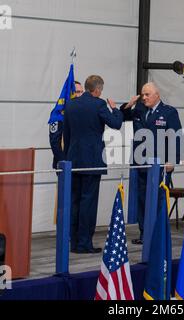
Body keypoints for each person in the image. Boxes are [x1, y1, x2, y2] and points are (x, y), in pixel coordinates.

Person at [63, 75, 123, 253]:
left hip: (73, 160)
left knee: (74, 203)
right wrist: (115, 109)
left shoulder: (70, 104)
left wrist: (68, 157)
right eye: (101, 90)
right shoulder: (99, 104)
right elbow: (116, 124)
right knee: (88, 203)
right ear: (97, 89)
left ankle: (73, 243)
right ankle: (84, 244)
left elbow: (67, 134)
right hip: (92, 161)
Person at [121, 82, 181, 244]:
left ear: (157, 95)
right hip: (141, 162)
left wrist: (172, 159)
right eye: (143, 94)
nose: (144, 97)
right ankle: (144, 233)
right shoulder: (139, 109)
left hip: (160, 164)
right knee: (142, 198)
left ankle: (157, 233)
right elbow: (122, 117)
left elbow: (176, 137)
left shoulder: (169, 112)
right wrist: (129, 105)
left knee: (157, 198)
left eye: (147, 95)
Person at [49, 81, 84, 169]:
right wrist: (64, 163)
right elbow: (55, 143)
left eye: (81, 92)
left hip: (80, 163)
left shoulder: (82, 111)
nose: (80, 95)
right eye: (77, 92)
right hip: (65, 162)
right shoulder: (57, 114)